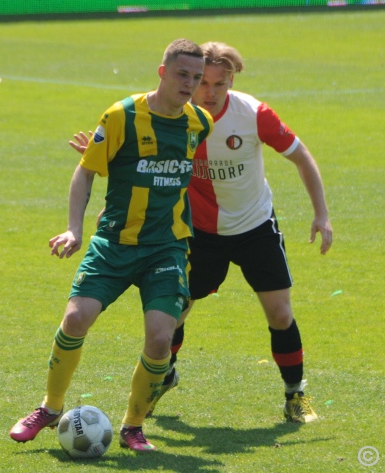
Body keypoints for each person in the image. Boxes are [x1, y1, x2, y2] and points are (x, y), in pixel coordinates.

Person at [71, 41, 332, 424]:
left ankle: (295, 394)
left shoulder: (253, 114)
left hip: (254, 226)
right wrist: (111, 189)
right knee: (174, 312)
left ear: (231, 81)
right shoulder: (179, 117)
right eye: (201, 82)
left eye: (217, 84)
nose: (207, 92)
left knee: (279, 313)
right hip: (199, 232)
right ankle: (164, 377)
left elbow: (300, 155)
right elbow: (147, 167)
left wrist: (321, 214)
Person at [9, 38, 213, 452]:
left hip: (166, 247)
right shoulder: (122, 115)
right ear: (162, 72)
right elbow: (86, 171)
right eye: (182, 74)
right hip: (115, 242)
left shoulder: (199, 122)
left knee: (160, 338)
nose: (189, 83)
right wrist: (74, 229)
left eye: (196, 77)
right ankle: (50, 408)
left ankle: (133, 426)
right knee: (75, 319)